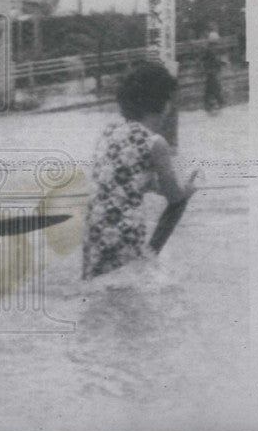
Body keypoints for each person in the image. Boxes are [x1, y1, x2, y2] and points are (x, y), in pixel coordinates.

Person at [82, 62, 197, 279]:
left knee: (97, 284)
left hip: (95, 227)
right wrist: (187, 190)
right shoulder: (155, 142)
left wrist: (157, 186)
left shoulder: (110, 131)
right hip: (125, 229)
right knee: (127, 288)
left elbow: (126, 179)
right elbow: (174, 196)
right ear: (164, 104)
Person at [201, 44, 225, 112]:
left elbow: (216, 63)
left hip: (211, 74)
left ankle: (212, 104)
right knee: (214, 89)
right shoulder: (211, 55)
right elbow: (216, 63)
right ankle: (217, 102)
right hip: (212, 74)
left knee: (210, 89)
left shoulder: (209, 55)